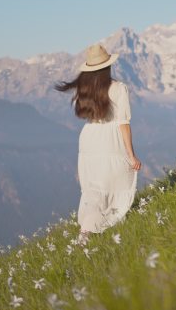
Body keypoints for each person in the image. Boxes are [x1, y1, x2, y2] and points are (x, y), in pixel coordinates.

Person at [55, 43, 141, 245]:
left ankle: (85, 233)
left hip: (89, 138)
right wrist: (131, 155)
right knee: (112, 183)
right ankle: (93, 229)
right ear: (107, 67)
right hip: (110, 139)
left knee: (94, 187)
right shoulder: (119, 88)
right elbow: (123, 123)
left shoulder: (85, 88)